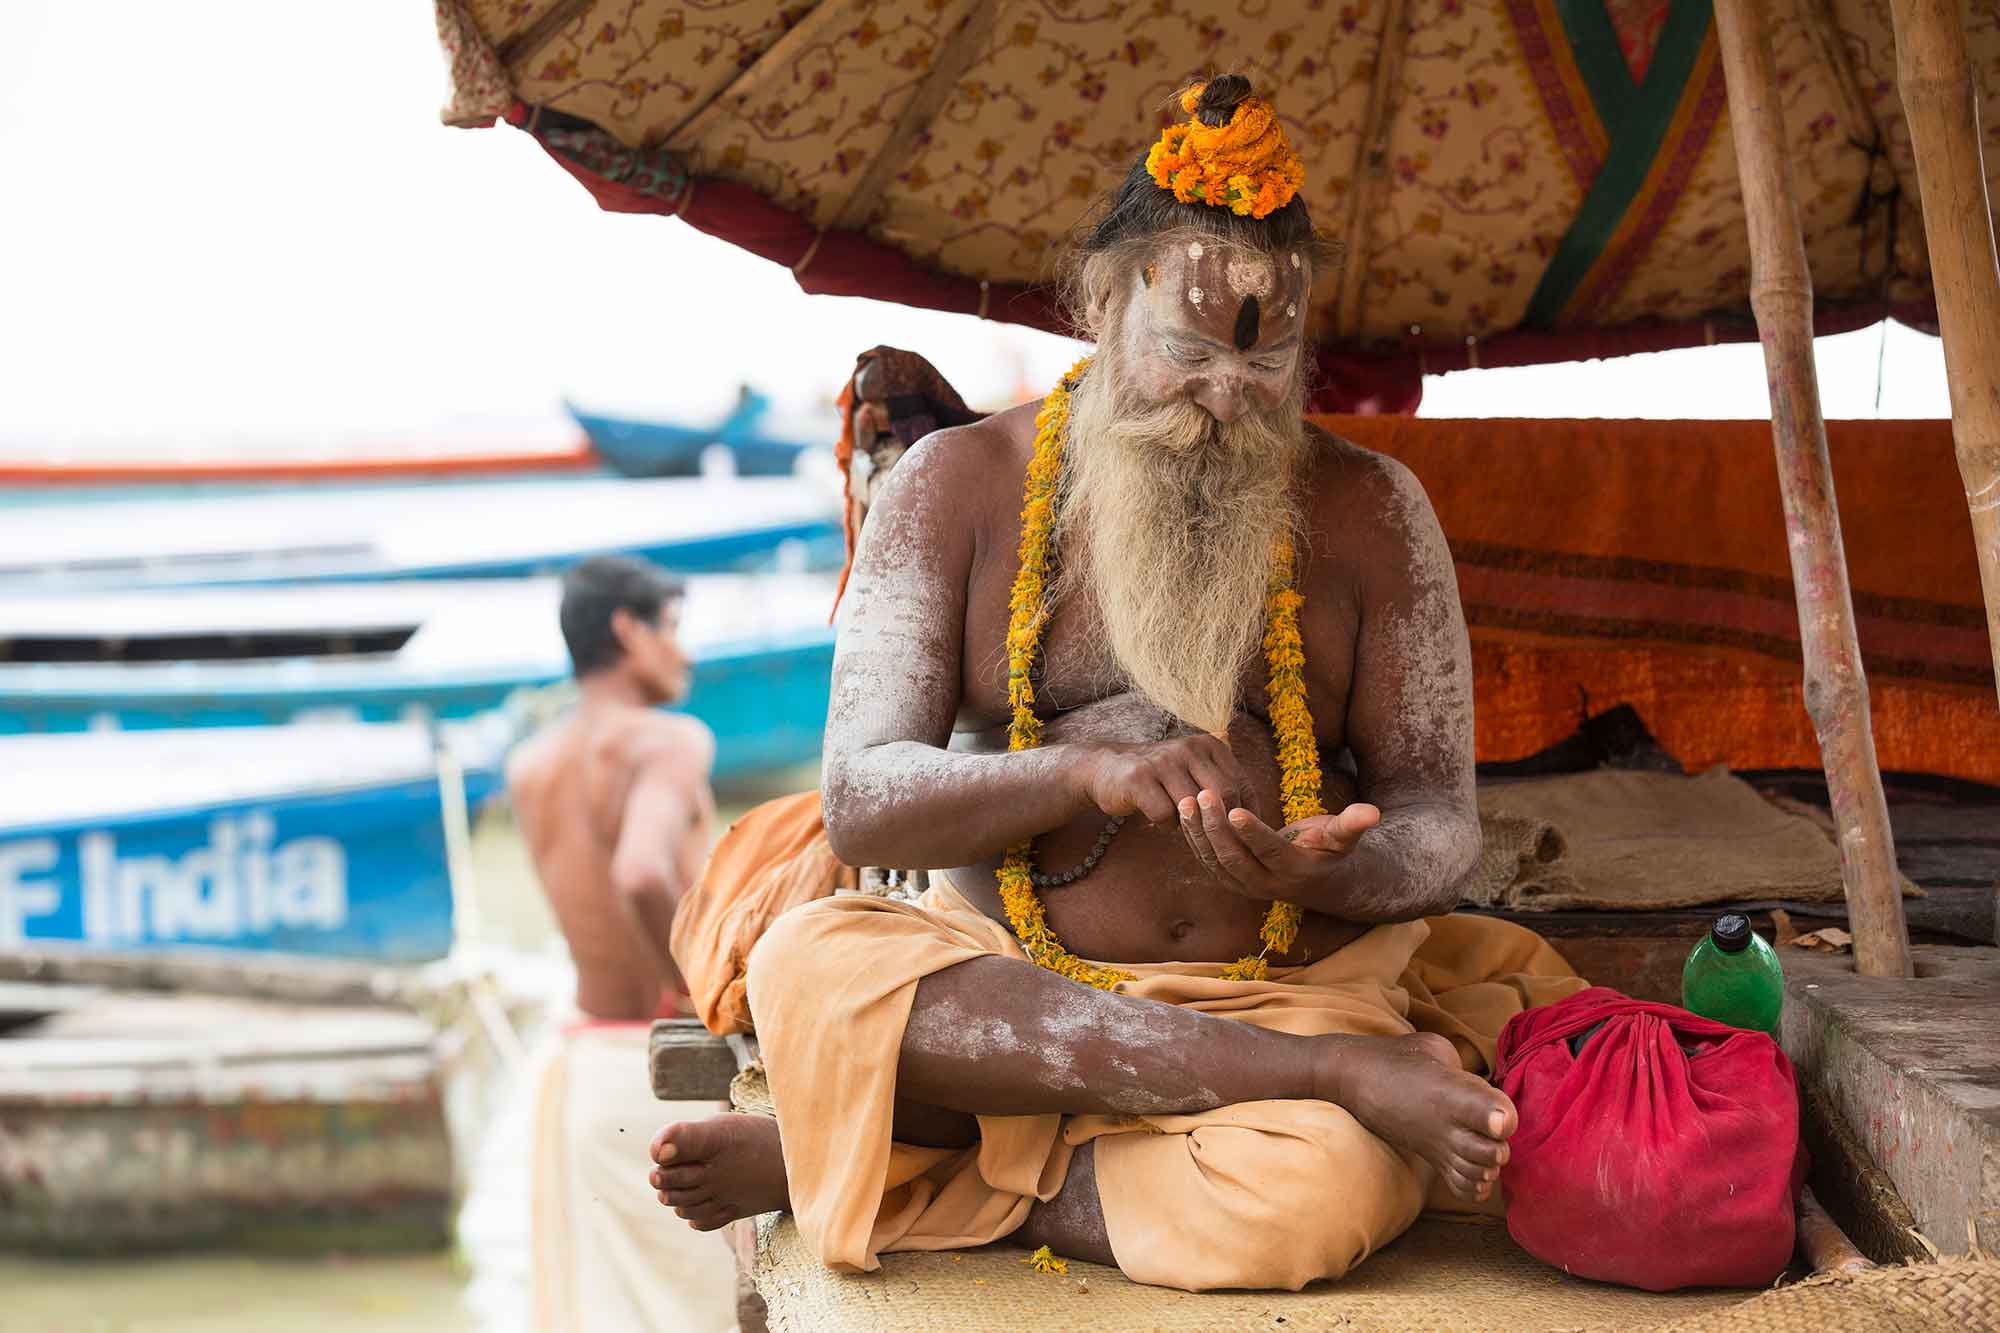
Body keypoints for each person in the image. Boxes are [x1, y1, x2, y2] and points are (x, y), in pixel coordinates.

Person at [651, 76, 1585, 1293]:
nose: (1223, 393)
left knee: (1309, 1199)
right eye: (1188, 350)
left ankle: (885, 1152)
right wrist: (1081, 771)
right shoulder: (956, 485)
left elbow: (1436, 820)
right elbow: (862, 798)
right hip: (1012, 984)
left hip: (1288, 987)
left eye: (1266, 362)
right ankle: (1314, 1089)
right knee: (807, 966)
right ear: (1102, 300)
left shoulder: (1373, 513)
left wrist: (1340, 866)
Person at [508, 554, 735, 1331]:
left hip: (589, 1068)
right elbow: (640, 870)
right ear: (627, 630)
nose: (686, 652)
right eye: (672, 628)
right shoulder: (668, 741)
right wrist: (706, 995)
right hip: (674, 1063)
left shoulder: (531, 766)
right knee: (715, 1307)